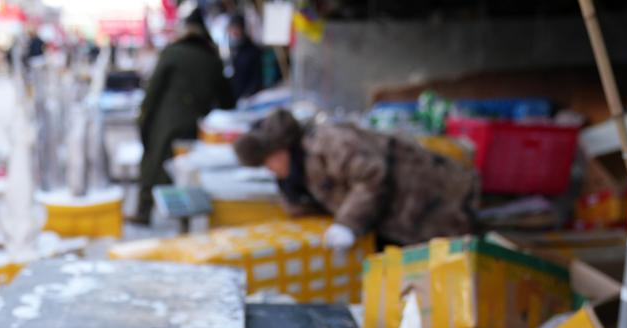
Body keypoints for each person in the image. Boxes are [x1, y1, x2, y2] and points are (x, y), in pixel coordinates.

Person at [233, 109, 480, 248]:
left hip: (432, 198)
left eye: (268, 161)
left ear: (282, 149)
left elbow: (372, 175)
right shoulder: (297, 173)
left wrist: (348, 224)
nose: (269, 169)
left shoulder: (327, 143)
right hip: (402, 220)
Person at [133, 9, 233, 226]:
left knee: (154, 164)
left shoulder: (173, 53)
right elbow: (227, 99)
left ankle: (144, 211)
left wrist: (143, 119)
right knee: (187, 173)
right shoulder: (212, 58)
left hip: (165, 121)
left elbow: (153, 91)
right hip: (196, 123)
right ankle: (185, 223)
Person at [228, 14, 262, 102]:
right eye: (232, 28)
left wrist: (248, 95)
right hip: (234, 98)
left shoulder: (252, 51)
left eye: (237, 28)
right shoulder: (230, 48)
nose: (234, 32)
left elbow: (257, 77)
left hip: (250, 99)